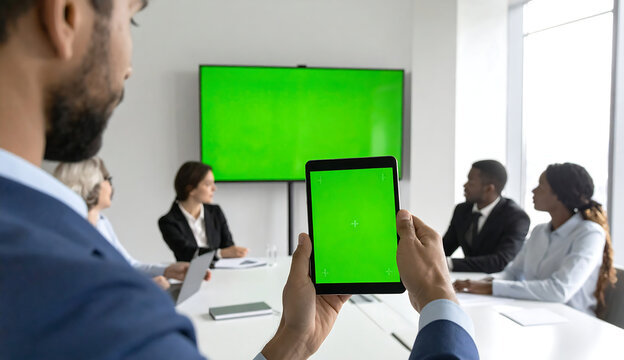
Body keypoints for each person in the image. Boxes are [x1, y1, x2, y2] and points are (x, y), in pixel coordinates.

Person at [0, 0, 478, 358]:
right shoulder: (87, 301)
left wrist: (291, 341)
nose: (128, 64)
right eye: (131, 17)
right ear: (65, 15)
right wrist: (439, 299)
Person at [453, 163, 617, 317]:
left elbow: (559, 290)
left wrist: (490, 287)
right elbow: (513, 272)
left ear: (559, 194)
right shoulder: (540, 231)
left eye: (541, 185)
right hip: (533, 313)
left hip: (573, 319)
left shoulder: (589, 234)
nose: (533, 190)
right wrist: (478, 283)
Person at [54, 156, 211, 290]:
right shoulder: (67, 232)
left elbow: (129, 265)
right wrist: (143, 286)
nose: (110, 185)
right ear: (89, 184)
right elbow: (88, 288)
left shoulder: (102, 222)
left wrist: (168, 271)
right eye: (107, 179)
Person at [443, 160, 530, 273]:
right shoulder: (462, 210)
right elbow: (444, 248)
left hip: (496, 284)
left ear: (489, 189)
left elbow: (500, 261)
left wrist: (449, 263)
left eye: (471, 182)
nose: (465, 185)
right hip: (465, 281)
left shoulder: (516, 217)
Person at [158, 161, 248, 262]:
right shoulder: (168, 222)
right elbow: (185, 252)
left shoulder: (215, 212)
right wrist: (219, 253)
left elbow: (229, 248)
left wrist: (231, 253)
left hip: (223, 272)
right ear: (191, 190)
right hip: (189, 275)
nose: (214, 188)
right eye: (208, 184)